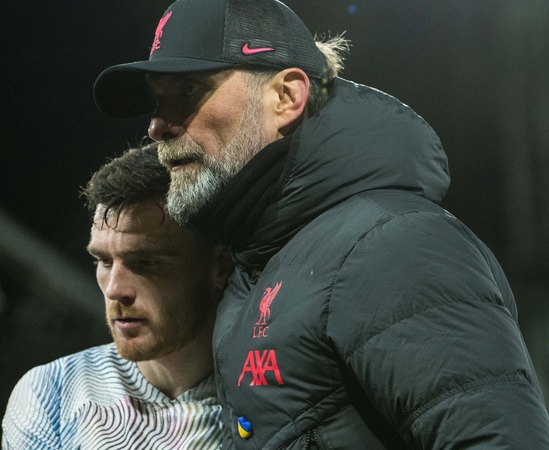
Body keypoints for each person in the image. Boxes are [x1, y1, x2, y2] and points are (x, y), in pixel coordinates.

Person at [92, 0, 549, 448]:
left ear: (287, 97)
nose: (156, 126)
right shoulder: (261, 257)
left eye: (188, 91)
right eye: (156, 99)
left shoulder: (391, 243)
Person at [1, 144, 233, 449]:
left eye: (146, 263)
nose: (114, 289)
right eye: (104, 261)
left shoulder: (268, 395)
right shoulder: (51, 394)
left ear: (220, 267)